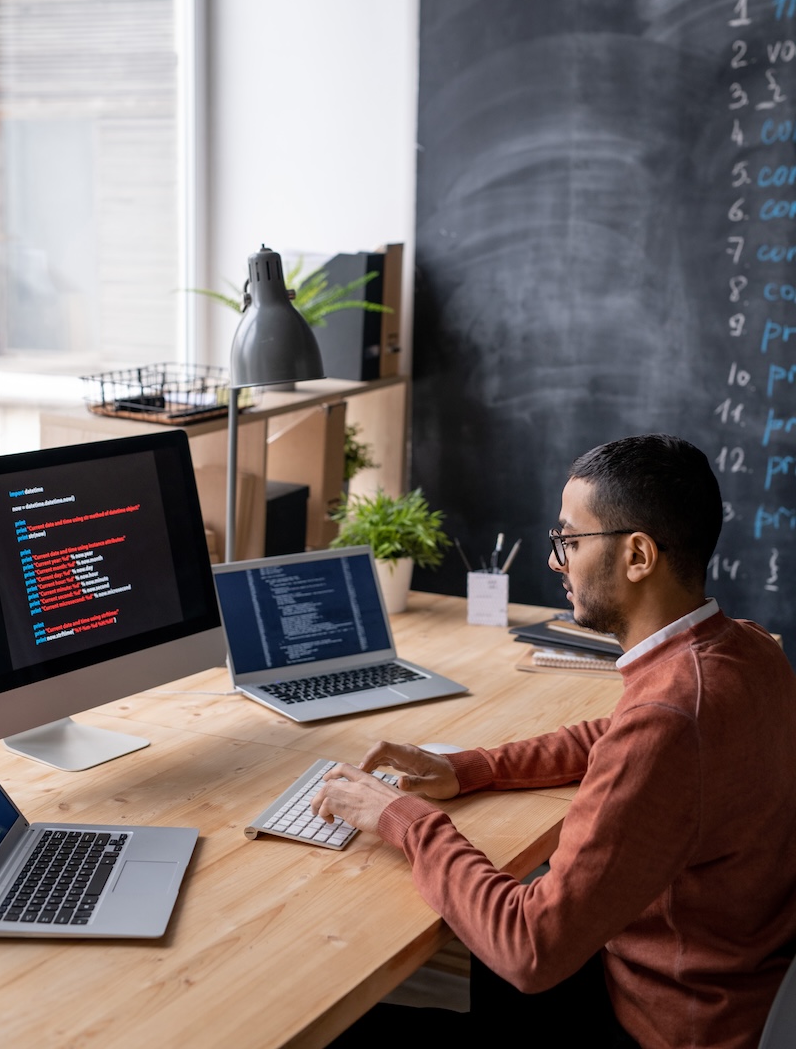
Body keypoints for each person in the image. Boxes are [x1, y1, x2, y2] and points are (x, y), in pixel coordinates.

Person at [312, 434, 796, 1048]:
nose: (555, 562)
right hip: (732, 982)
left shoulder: (671, 715)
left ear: (638, 555)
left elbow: (530, 947)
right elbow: (614, 734)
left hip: (670, 1021)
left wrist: (400, 818)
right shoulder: (748, 649)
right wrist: (468, 767)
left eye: (568, 539)